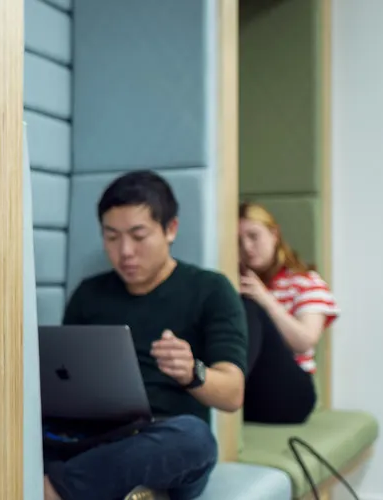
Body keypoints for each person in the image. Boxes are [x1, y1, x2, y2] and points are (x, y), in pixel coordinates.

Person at [43, 171, 248, 500]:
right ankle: (105, 485)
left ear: (171, 229)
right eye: (111, 237)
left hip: (162, 438)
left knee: (194, 439)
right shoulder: (90, 293)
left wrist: (192, 373)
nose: (125, 251)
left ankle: (53, 489)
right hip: (93, 435)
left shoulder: (211, 290)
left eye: (138, 236)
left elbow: (233, 394)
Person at [238, 202, 339, 424]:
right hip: (250, 393)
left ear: (274, 235)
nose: (247, 247)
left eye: (254, 236)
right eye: (239, 241)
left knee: (248, 306)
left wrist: (264, 298)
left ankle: (226, 384)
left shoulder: (305, 282)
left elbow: (304, 341)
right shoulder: (237, 283)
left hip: (292, 394)